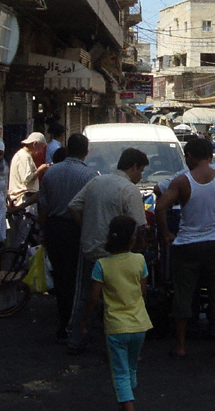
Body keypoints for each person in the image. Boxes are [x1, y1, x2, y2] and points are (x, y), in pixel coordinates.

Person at [156, 137, 215, 358]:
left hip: (187, 246)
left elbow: (159, 206)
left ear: (191, 156)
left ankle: (180, 345)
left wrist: (166, 233)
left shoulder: (181, 181)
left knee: (183, 295)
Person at [66, 148, 149, 354]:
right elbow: (139, 227)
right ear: (133, 167)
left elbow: (73, 205)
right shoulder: (129, 190)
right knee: (119, 301)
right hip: (116, 258)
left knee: (85, 297)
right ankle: (117, 346)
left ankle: (76, 340)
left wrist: (87, 227)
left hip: (90, 251)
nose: (141, 176)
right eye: (141, 171)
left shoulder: (97, 181)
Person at [81, 215, 152, 411]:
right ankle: (129, 394)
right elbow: (143, 291)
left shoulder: (102, 265)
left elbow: (93, 299)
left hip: (116, 325)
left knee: (119, 371)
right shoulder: (139, 260)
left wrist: (84, 321)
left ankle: (128, 405)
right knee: (131, 366)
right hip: (139, 323)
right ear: (133, 239)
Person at [38, 133, 98, 342]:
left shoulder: (51, 172)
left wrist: (44, 231)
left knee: (61, 277)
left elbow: (43, 207)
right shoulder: (90, 175)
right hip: (75, 229)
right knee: (76, 279)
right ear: (86, 152)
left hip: (54, 228)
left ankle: (64, 322)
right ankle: (73, 324)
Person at [9, 131, 49, 246]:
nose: (41, 152)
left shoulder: (25, 156)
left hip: (26, 199)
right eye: (41, 148)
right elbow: (26, 178)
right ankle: (19, 261)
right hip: (24, 199)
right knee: (23, 236)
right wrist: (40, 169)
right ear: (35, 144)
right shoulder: (23, 156)